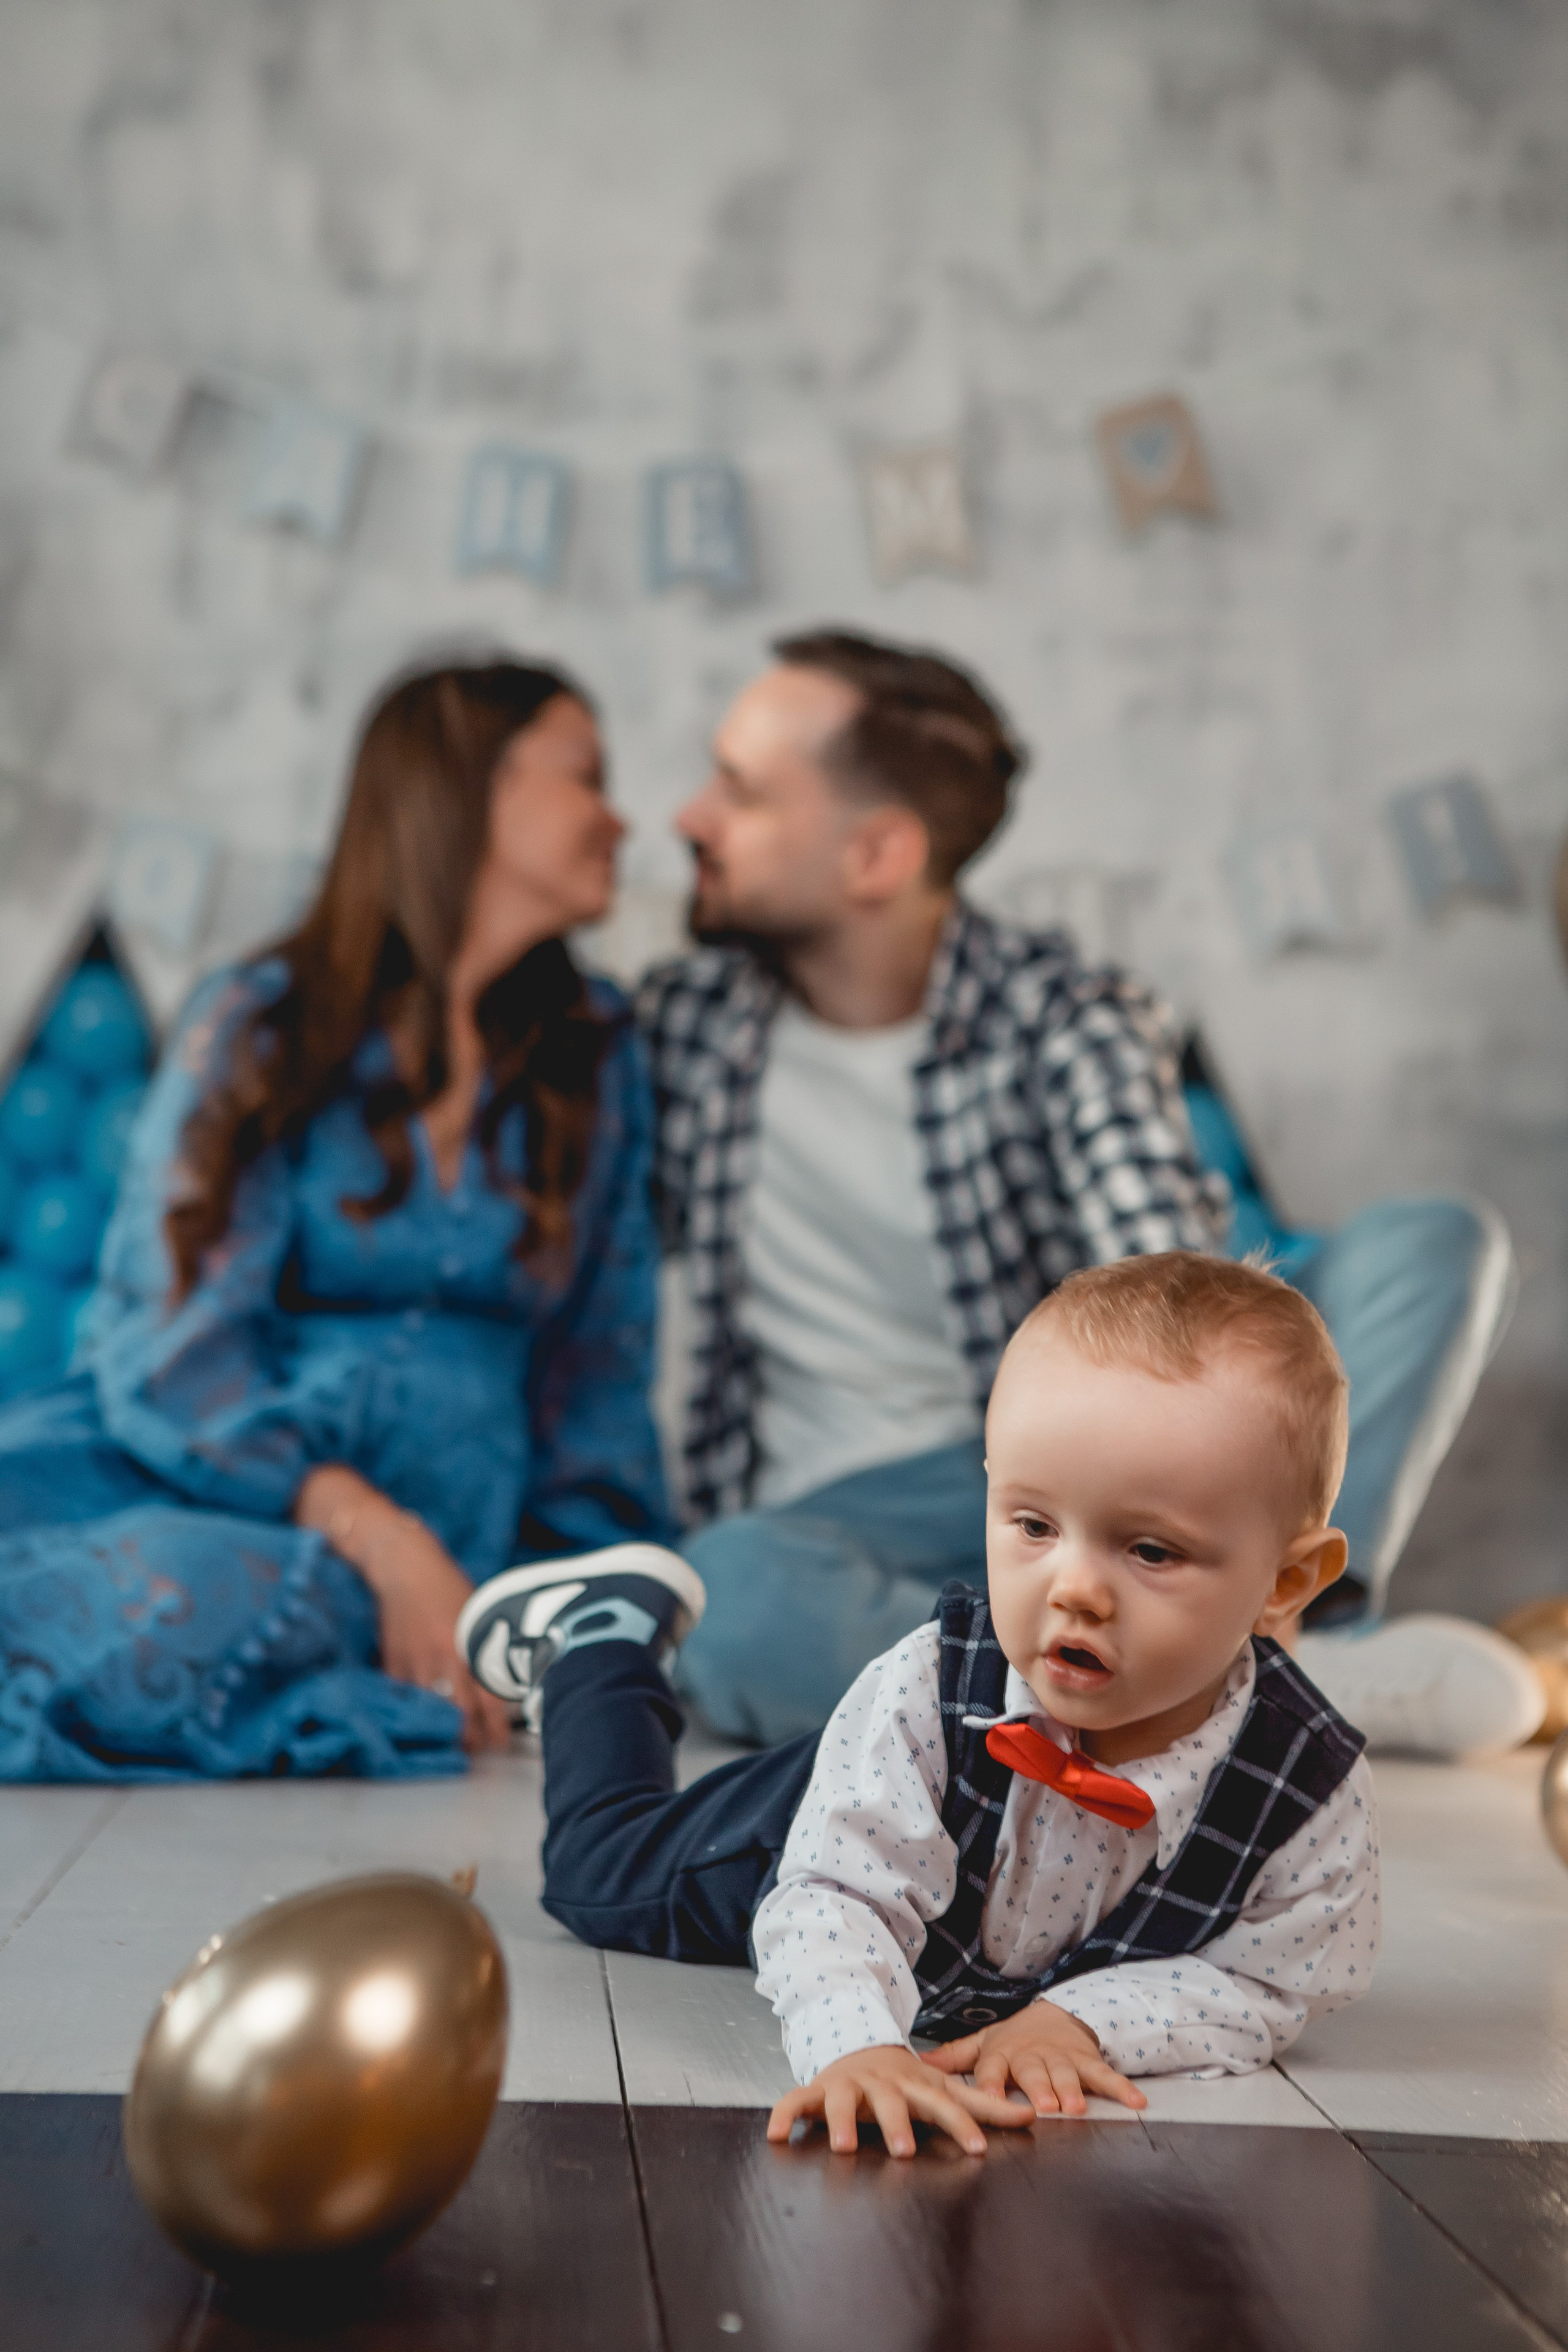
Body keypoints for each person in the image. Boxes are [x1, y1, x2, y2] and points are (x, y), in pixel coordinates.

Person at [636, 627, 1540, 1760]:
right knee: (726, 1595)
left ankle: (1287, 1636)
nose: (691, 819)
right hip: (846, 1527)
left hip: (1084, 1476)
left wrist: (1122, 1492)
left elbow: (1175, 1286)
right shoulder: (686, 1026)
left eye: (740, 791)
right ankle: (1207, 1702)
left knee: (1434, 1240)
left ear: (876, 855)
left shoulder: (1061, 1014)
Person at [459, 1251, 1380, 2154]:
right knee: (596, 1870)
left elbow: (1273, 1980)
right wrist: (859, 2046)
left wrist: (1081, 2021)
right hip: (819, 1839)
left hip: (957, 1931)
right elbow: (831, 1895)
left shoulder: (1306, 1787)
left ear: (1287, 1581)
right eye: (1033, 1526)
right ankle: (598, 1640)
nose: (1075, 1590)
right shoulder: (932, 1686)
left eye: (1150, 1553)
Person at [0, 660, 671, 1781]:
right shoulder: (264, 1021)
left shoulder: (592, 1051)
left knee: (228, 1599)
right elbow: (168, 1337)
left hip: (436, 1543)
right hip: (183, 1470)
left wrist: (580, 1608)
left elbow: (598, 1368)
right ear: (469, 792)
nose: (621, 817)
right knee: (164, 1574)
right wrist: (372, 1526)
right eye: (585, 778)